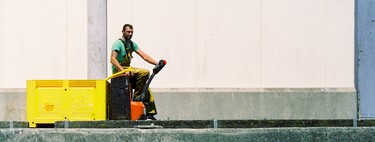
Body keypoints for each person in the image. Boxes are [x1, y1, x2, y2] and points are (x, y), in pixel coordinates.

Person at [110, 24, 158, 120]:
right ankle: (137, 97)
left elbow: (144, 56)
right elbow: (112, 59)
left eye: (132, 32)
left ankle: (150, 114)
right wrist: (122, 70)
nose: (130, 34)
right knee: (144, 72)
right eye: (128, 32)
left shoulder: (131, 44)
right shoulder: (118, 44)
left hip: (128, 69)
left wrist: (157, 63)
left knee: (146, 87)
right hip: (119, 71)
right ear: (123, 32)